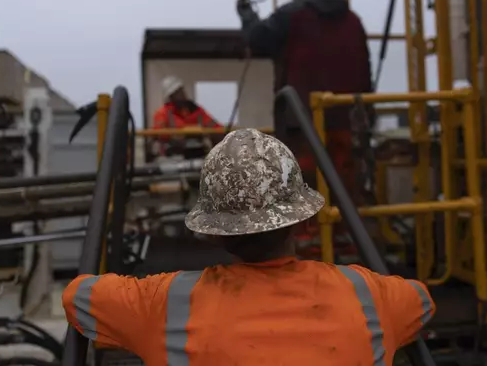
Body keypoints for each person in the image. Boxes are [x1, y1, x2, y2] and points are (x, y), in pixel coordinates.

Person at [63, 128, 434, 365]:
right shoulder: (369, 295)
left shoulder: (165, 304)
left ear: (213, 233)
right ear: (302, 221)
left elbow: (77, 297)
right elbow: (421, 301)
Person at [235, 0, 376, 259]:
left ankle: (309, 241)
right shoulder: (354, 21)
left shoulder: (293, 14)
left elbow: (259, 39)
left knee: (305, 178)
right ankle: (344, 238)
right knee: (343, 178)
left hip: (303, 120)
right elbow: (365, 71)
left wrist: (247, 15)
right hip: (345, 119)